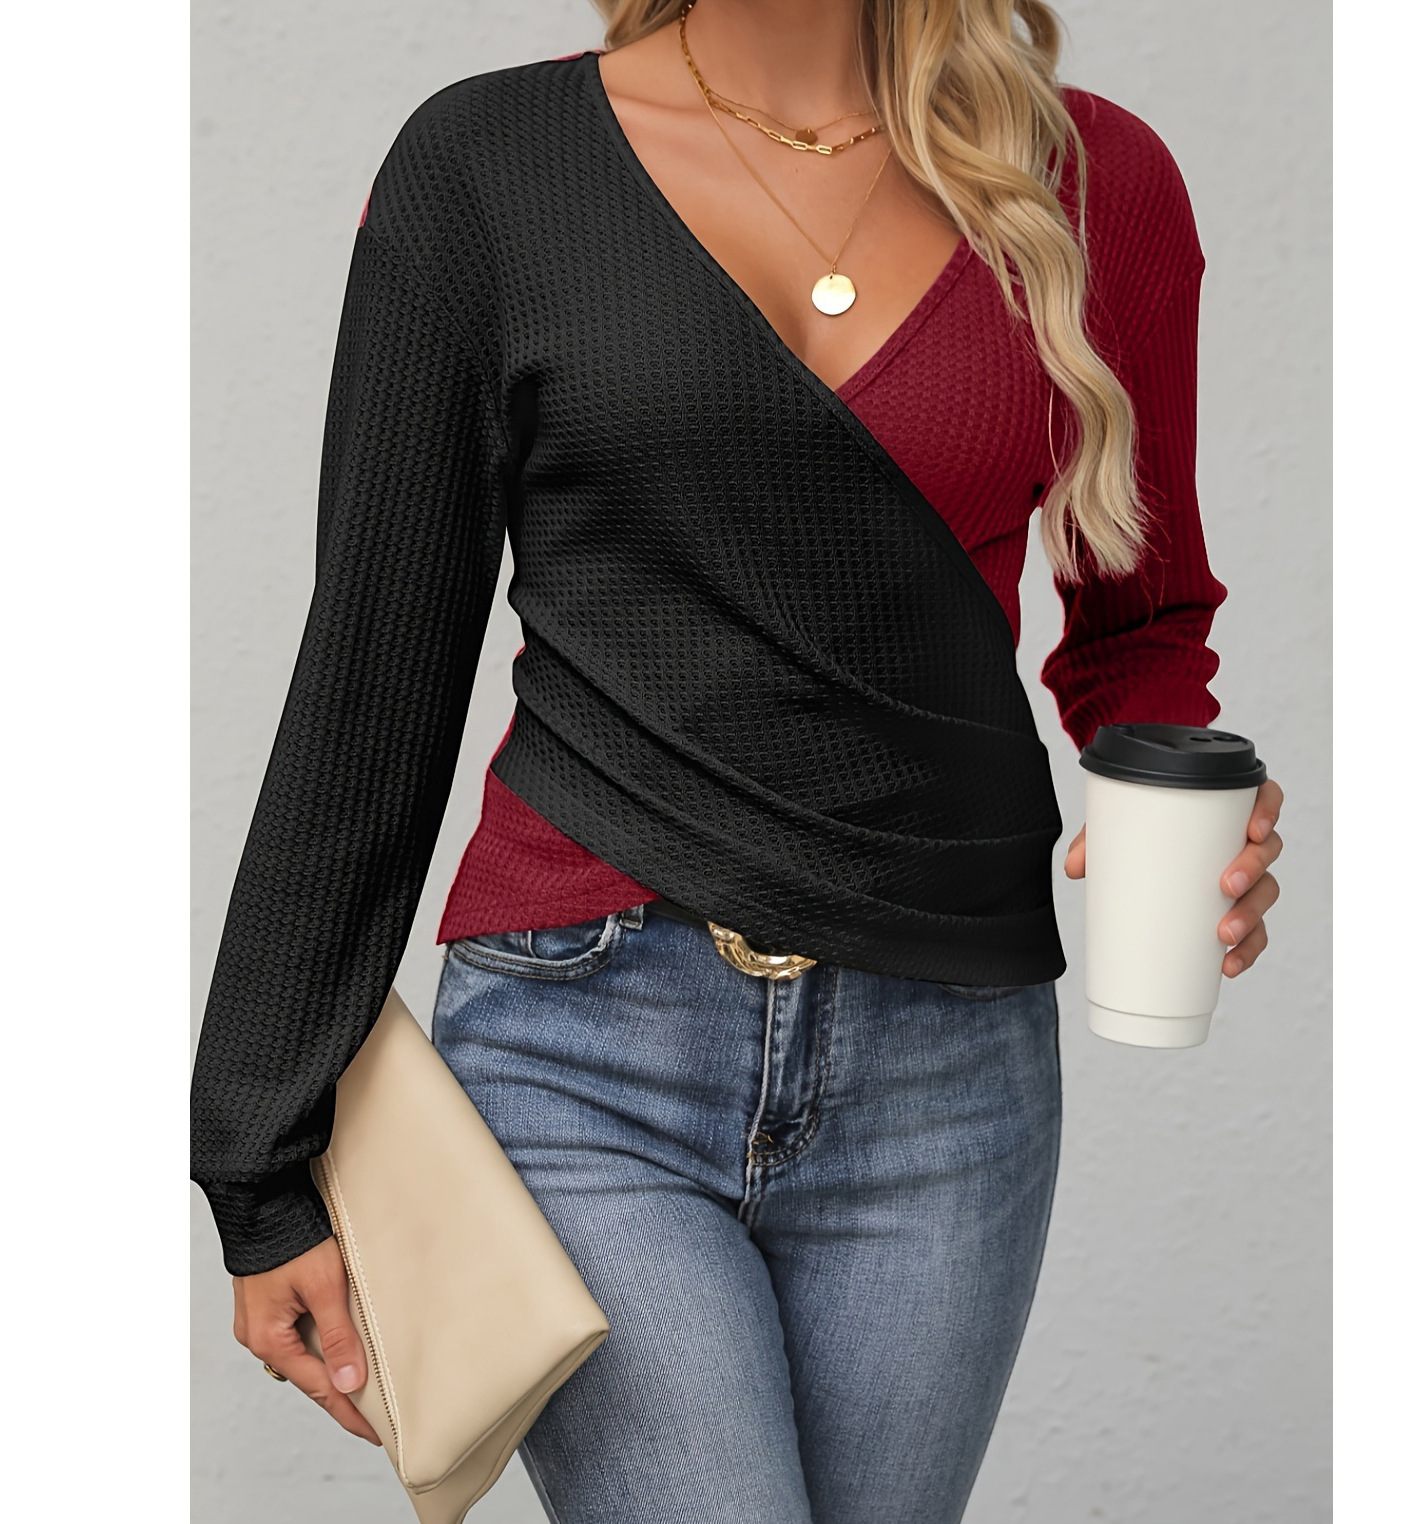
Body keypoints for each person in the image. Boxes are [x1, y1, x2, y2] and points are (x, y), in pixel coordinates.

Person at [192, 2, 1285, 1519]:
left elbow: (1140, 620)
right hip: (584, 1048)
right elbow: (375, 665)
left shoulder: (1097, 183)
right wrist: (258, 1152)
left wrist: (1180, 788)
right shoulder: (488, 168)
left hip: (950, 1068)